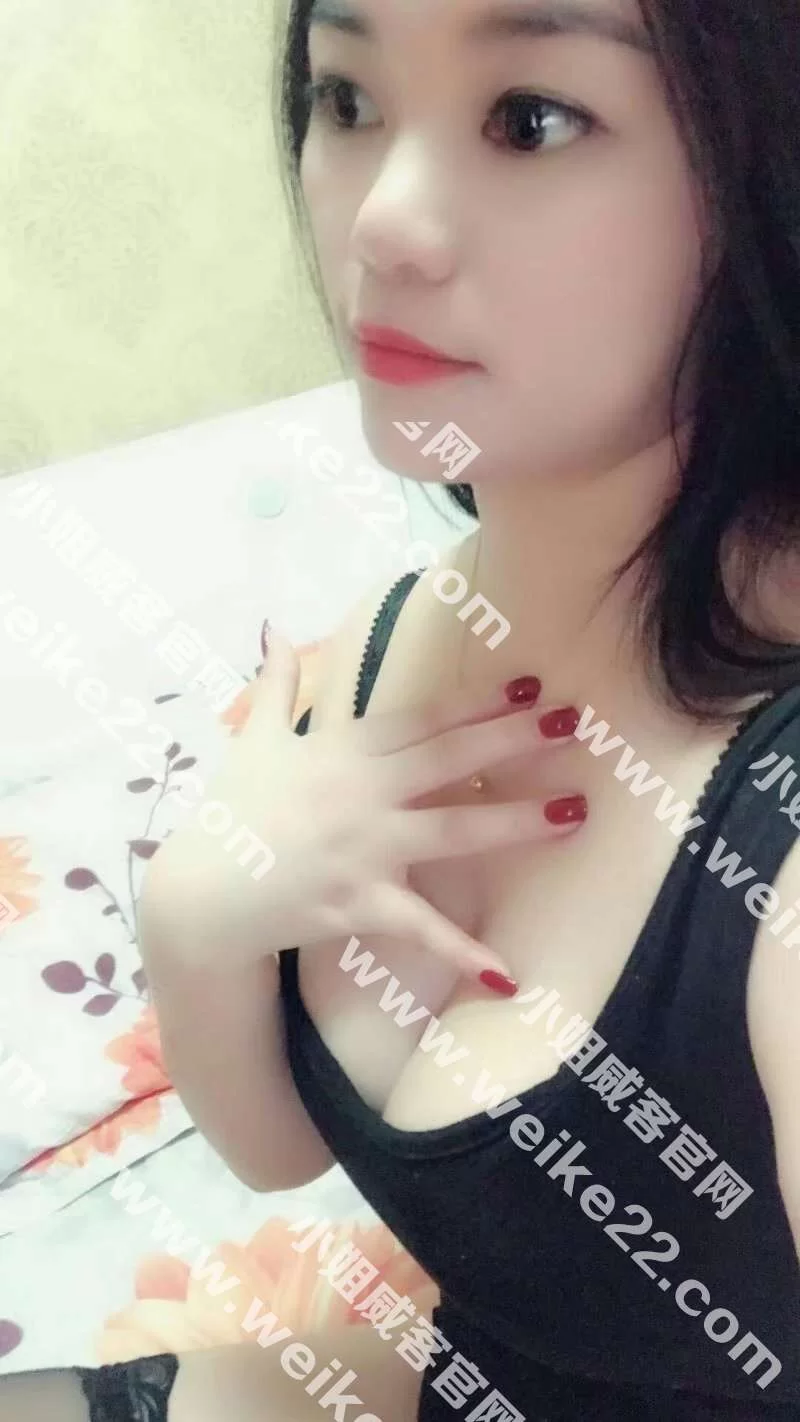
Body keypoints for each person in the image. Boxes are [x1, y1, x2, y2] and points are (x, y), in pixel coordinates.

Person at [5, 0, 800, 1416]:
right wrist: (199, 917)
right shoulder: (391, 641)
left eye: (530, 120)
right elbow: (276, 1153)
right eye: (348, 101)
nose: (382, 221)